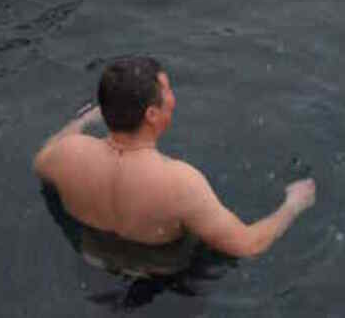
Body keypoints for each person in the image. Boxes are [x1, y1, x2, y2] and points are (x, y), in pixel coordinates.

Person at [34, 57, 316, 264]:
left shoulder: (66, 153)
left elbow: (40, 161)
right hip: (163, 283)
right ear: (152, 115)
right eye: (167, 90)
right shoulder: (180, 183)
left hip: (93, 268)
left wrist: (83, 121)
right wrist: (293, 205)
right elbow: (248, 245)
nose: (173, 97)